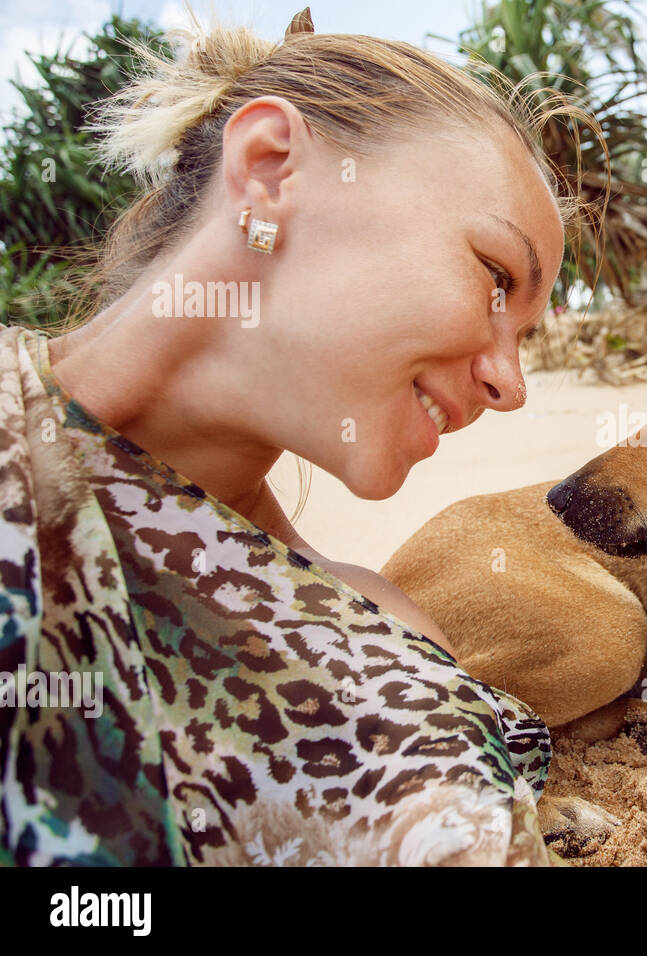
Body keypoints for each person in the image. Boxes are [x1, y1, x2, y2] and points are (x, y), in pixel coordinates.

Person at [0, 10, 581, 865]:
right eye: (496, 276)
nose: (511, 384)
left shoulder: (384, 638)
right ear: (270, 169)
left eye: (527, 337)